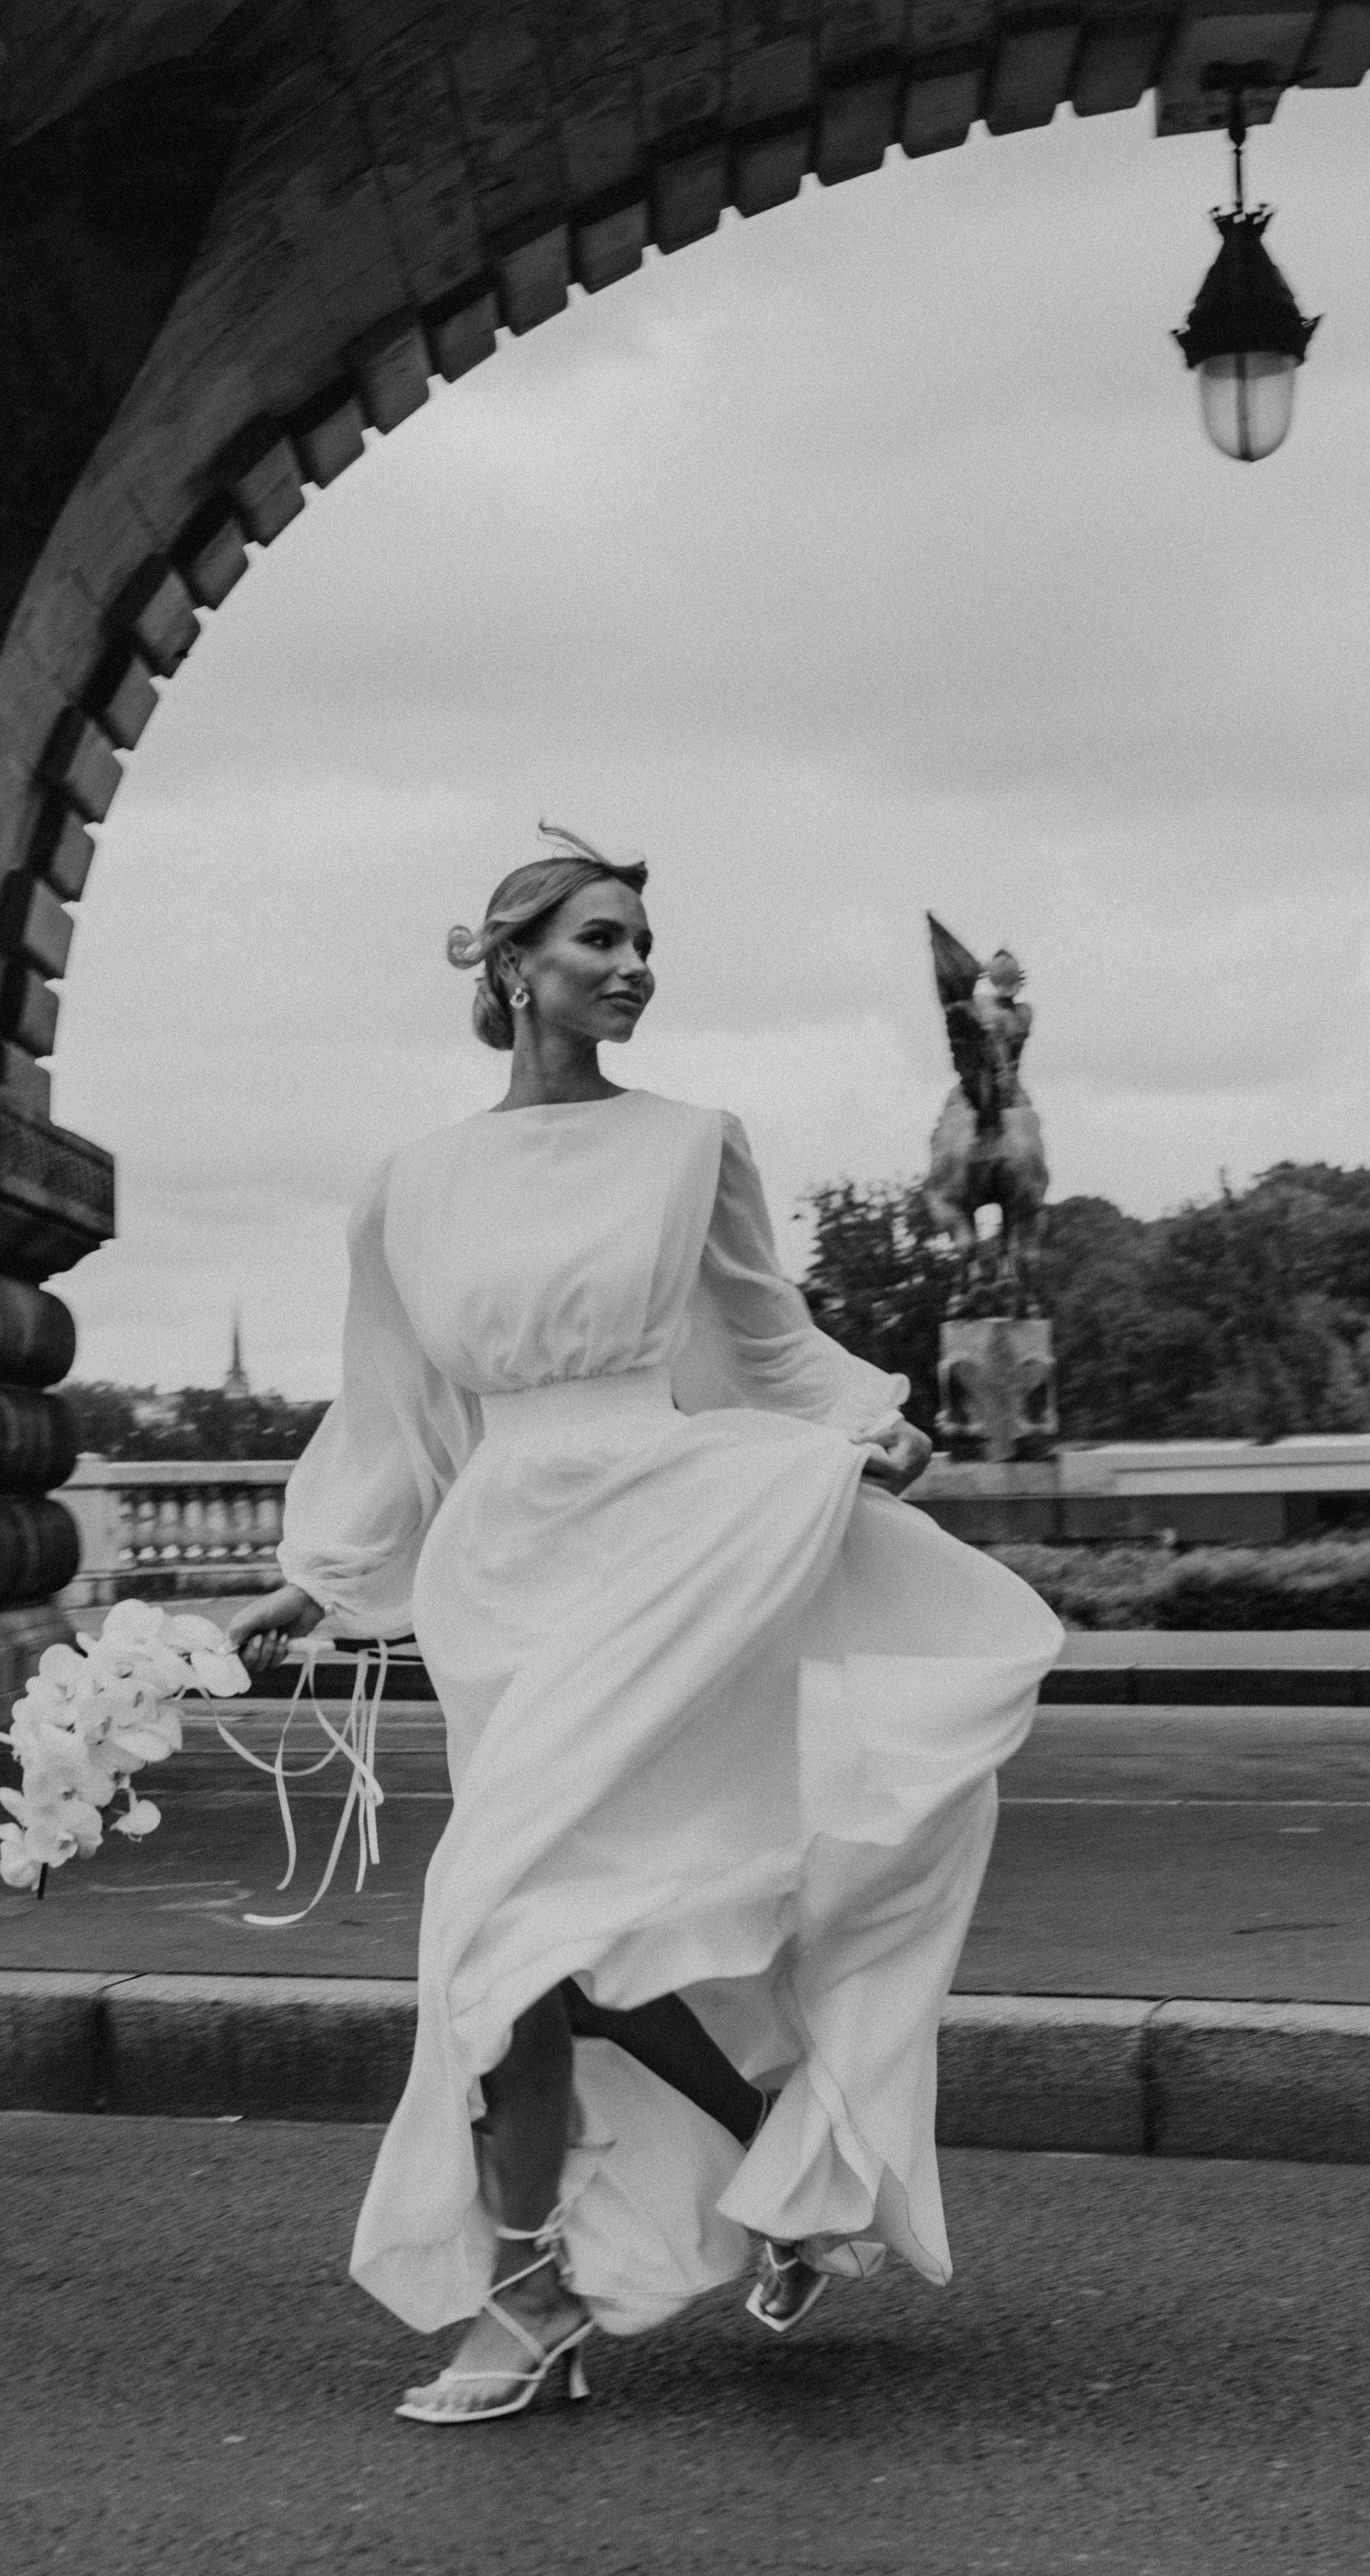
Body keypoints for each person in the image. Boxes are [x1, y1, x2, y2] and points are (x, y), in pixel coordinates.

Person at [228, 829, 1061, 2426]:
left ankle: (530, 2297)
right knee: (544, 1943)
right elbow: (393, 1417)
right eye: (598, 940)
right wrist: (310, 1585)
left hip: (666, 1550)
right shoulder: (405, 1187)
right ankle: (763, 2171)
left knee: (514, 1932)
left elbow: (771, 1342)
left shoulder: (693, 1144)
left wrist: (873, 1424)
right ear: (513, 963)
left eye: (640, 946)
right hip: (500, 1578)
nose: (631, 968)